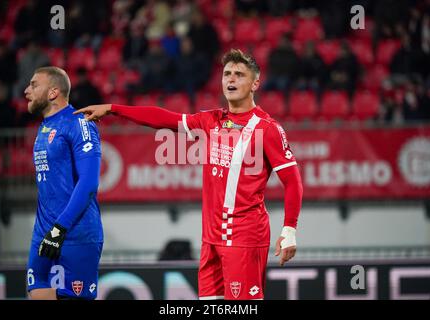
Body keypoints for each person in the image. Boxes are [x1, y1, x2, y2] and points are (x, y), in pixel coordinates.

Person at [75, 49, 303, 300]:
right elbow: (163, 118)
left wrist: (289, 230)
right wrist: (111, 108)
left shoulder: (267, 128)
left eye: (239, 75)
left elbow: (292, 182)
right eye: (227, 74)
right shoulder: (212, 120)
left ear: (255, 84)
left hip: (245, 238)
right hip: (211, 239)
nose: (231, 79)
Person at [24, 66, 103, 300]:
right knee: (35, 287)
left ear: (53, 92)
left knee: (75, 297)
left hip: (76, 231)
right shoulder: (45, 127)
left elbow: (89, 183)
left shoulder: (79, 124)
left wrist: (60, 228)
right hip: (43, 230)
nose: (26, 90)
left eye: (34, 85)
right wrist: (47, 229)